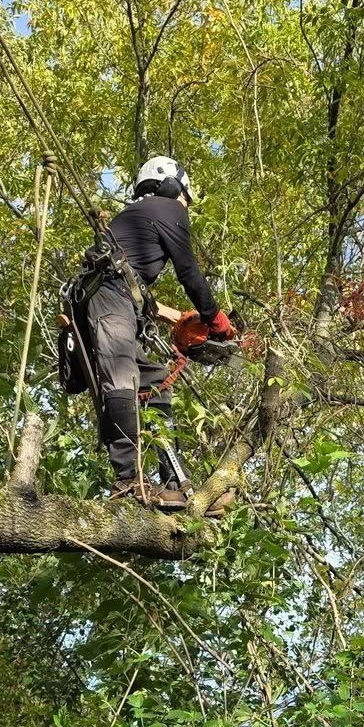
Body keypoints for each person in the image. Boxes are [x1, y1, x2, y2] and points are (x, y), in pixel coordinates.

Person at [82, 155, 236, 508]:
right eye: (185, 195)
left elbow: (137, 288)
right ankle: (127, 481)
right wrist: (214, 318)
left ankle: (176, 485)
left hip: (116, 300)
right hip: (109, 299)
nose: (186, 205)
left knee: (155, 384)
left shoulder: (134, 220)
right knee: (122, 378)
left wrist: (180, 318)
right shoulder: (166, 209)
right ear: (170, 185)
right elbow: (189, 272)